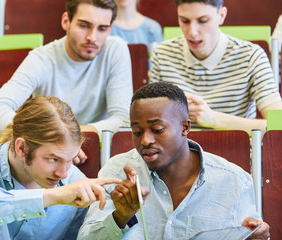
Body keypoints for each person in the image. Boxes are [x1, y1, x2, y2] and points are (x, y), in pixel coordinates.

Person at [77, 81, 270, 239]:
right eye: (137, 132)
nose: (145, 140)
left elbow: (251, 232)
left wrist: (258, 236)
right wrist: (120, 217)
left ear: (185, 127)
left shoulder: (233, 181)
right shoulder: (116, 172)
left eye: (157, 130)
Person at [0, 96, 122, 240]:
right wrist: (50, 197)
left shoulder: (74, 180)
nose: (63, 173)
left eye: (69, 160)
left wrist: (121, 217)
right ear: (21, 148)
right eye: (53, 159)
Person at [0, 0, 133, 144]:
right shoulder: (42, 58)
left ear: (110, 29)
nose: (92, 37)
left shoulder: (115, 49)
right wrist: (51, 137)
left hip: (96, 149)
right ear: (66, 21)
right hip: (48, 149)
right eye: (84, 26)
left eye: (102, 29)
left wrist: (71, 136)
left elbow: (124, 120)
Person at [150, 0, 282, 135]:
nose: (192, 32)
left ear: (221, 16)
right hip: (177, 153)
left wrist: (214, 119)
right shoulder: (161, 54)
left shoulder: (251, 56)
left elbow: (279, 125)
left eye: (203, 21)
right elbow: (150, 120)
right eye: (184, 21)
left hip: (234, 151)